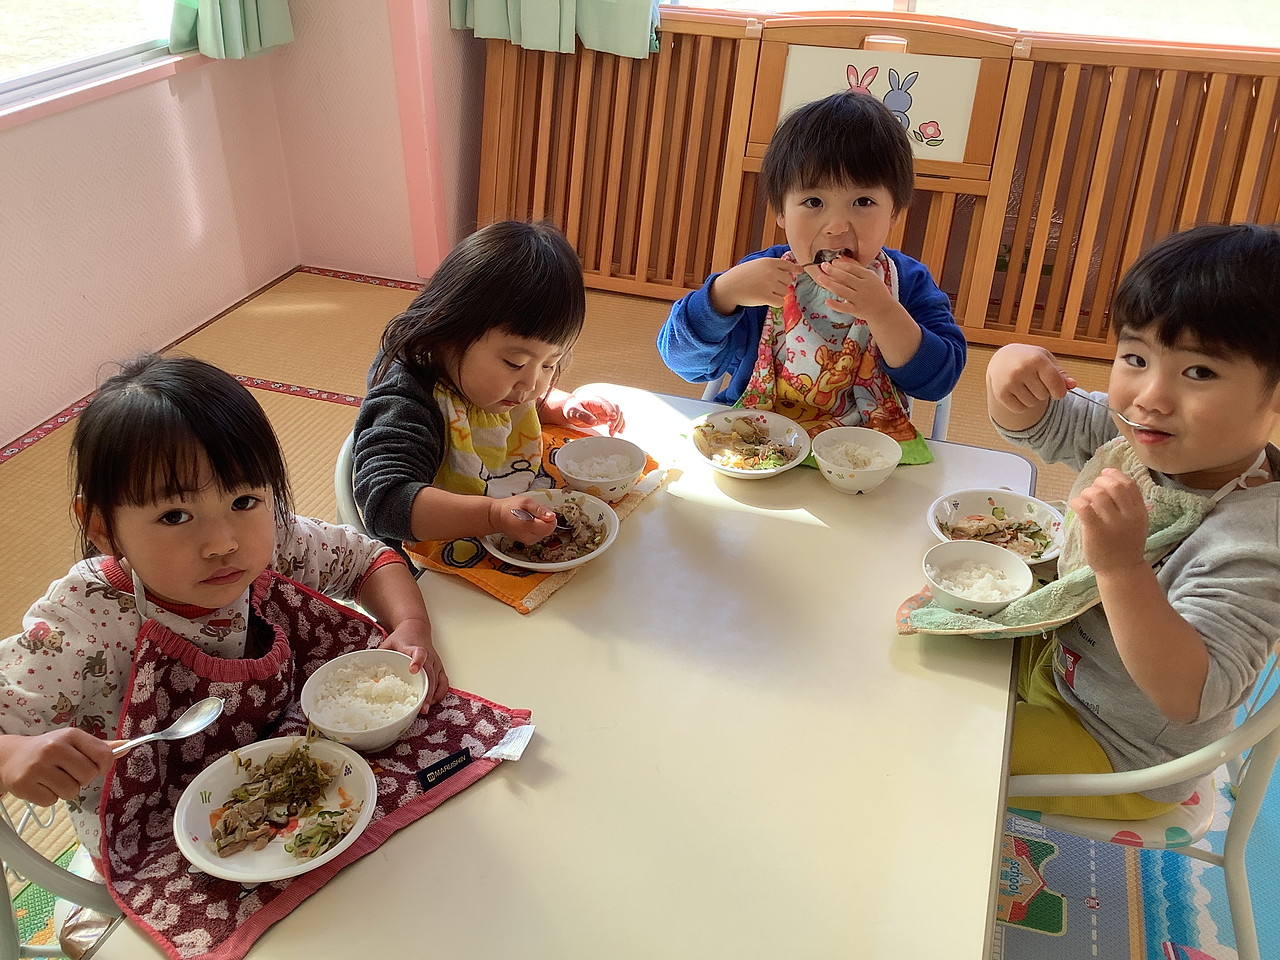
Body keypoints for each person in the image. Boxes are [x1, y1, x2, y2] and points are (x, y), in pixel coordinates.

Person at [0, 354, 450, 864]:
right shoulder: (82, 620)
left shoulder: (274, 543)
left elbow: (371, 559)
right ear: (101, 525)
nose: (221, 543)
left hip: (304, 789)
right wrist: (12, 755)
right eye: (175, 515)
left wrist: (410, 627)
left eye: (243, 501)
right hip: (158, 845)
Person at [986, 222, 1280, 819]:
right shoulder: (1142, 438)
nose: (1150, 396)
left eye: (1198, 372)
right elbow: (1037, 423)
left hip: (1123, 751)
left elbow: (1189, 694)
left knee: (947, 744)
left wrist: (1121, 567)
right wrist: (1005, 375)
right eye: (1136, 357)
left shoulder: (1254, 540)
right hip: (1059, 667)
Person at [656, 90, 965, 461]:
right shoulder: (761, 278)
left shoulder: (907, 283)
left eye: (863, 202)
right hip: (751, 446)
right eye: (813, 202)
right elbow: (681, 362)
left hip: (864, 460)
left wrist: (884, 313)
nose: (836, 226)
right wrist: (723, 295)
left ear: (895, 212)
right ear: (781, 212)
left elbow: (939, 381)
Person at [354, 220, 624, 550]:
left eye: (550, 364)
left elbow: (526, 402)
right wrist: (494, 515)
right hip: (428, 564)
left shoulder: (503, 385)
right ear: (448, 330)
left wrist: (562, 404)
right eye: (515, 363)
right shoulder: (408, 400)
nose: (530, 383)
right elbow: (384, 504)